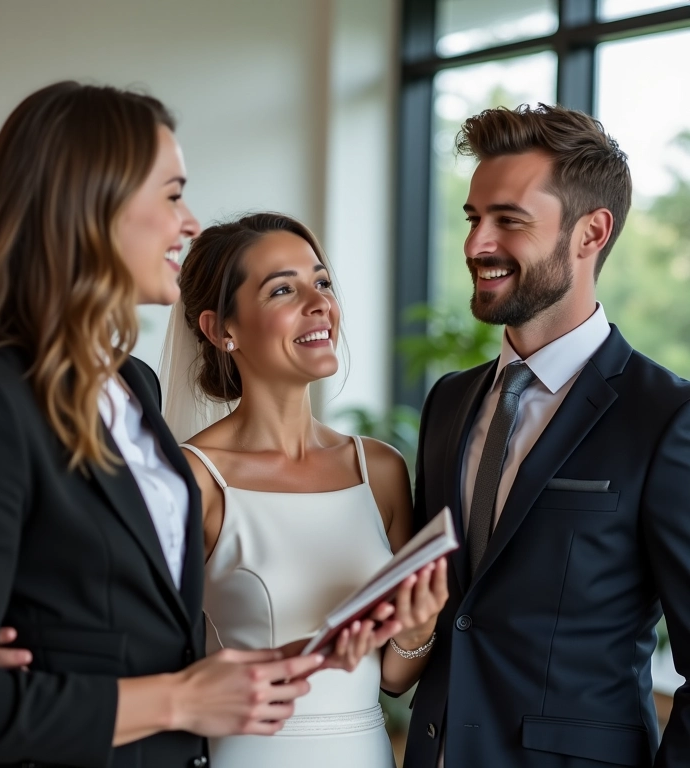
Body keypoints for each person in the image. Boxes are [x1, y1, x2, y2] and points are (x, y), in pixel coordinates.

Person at [0, 81, 330, 768]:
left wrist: (270, 668)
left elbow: (121, 622)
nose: (191, 221)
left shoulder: (133, 385)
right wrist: (178, 700)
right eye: (172, 194)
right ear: (94, 206)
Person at [404, 103, 690, 768]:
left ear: (591, 233)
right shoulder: (448, 403)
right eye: (474, 218)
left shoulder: (666, 417)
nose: (477, 243)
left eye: (509, 220)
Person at [158, 212, 450, 767]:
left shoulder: (380, 470)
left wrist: (418, 626)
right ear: (222, 329)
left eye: (321, 282)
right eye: (283, 289)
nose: (319, 303)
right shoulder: (190, 480)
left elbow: (392, 678)